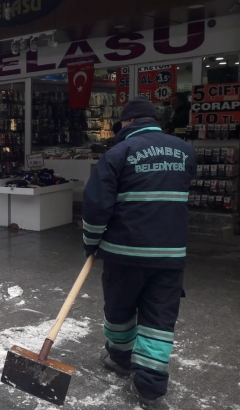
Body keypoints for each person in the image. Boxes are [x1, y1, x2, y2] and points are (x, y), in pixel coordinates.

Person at [82, 97, 195, 406]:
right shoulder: (185, 150)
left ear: (127, 123)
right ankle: (151, 385)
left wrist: (91, 243)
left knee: (120, 309)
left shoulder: (118, 153)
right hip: (170, 254)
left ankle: (120, 359)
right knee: (160, 315)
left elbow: (95, 207)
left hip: (126, 252)